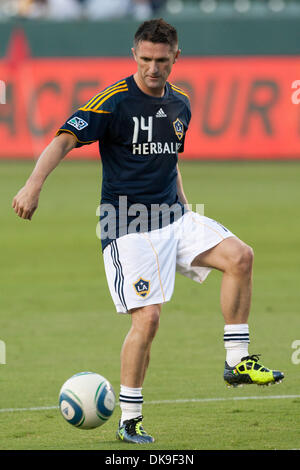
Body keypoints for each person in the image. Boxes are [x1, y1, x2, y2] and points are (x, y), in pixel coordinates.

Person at [12, 18, 284, 444]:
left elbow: (170, 160)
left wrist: (188, 208)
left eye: (161, 60)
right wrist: (33, 184)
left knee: (240, 256)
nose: (153, 68)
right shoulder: (115, 101)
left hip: (174, 218)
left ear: (176, 56)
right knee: (149, 318)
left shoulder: (181, 104)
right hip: (126, 227)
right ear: (133, 56)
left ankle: (237, 360)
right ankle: (129, 419)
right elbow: (64, 138)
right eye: (145, 60)